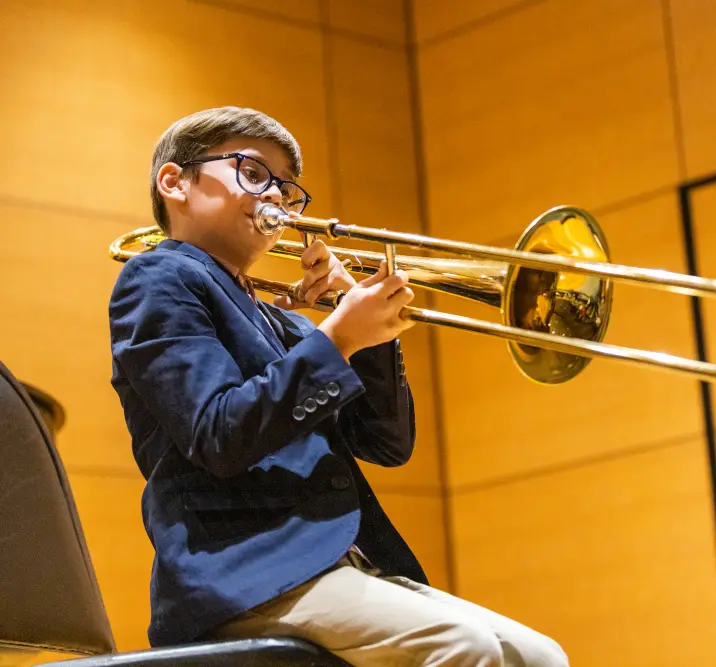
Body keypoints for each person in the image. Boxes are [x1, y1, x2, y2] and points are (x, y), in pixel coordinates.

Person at [108, 106, 569, 667]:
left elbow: (387, 445)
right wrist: (338, 338)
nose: (275, 197)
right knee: (462, 648)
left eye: (286, 188)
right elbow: (217, 434)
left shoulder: (283, 320)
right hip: (245, 568)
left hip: (336, 562)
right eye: (254, 175)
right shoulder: (157, 278)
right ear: (175, 182)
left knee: (540, 656)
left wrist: (368, 339)